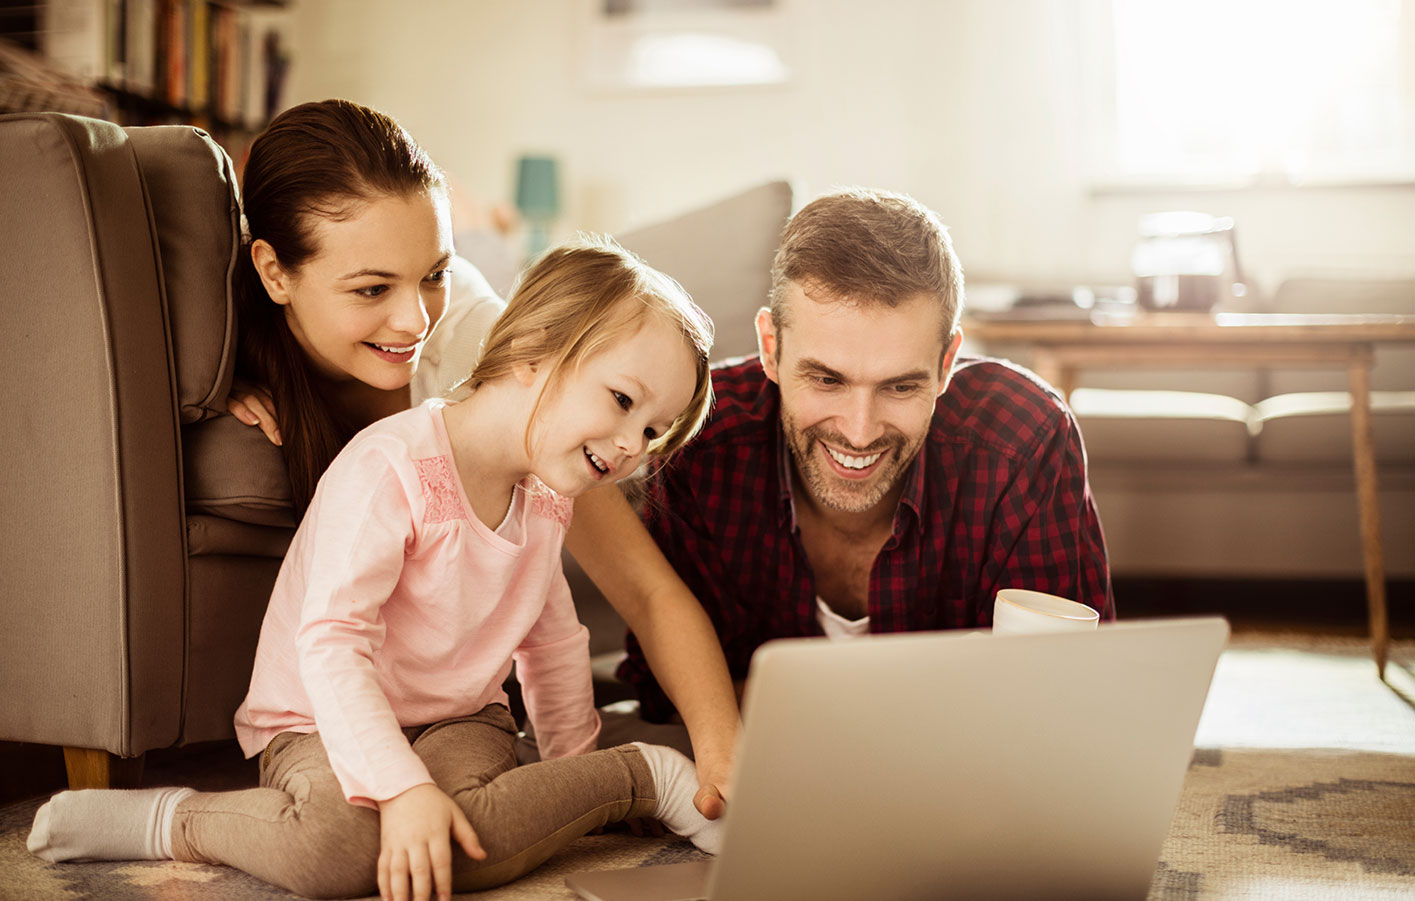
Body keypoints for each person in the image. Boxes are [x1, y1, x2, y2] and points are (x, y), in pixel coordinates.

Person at [29, 237, 727, 900]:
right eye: (623, 401)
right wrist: (400, 788)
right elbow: (331, 641)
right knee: (338, 849)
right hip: (317, 717)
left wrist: (574, 781)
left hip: (460, 718)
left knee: (454, 845)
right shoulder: (390, 464)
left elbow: (550, 644)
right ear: (535, 351)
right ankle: (171, 820)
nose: (632, 445)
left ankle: (634, 777)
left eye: (652, 431)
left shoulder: (546, 502)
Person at [219, 100, 738, 791]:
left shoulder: (488, 351)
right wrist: (223, 384)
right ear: (274, 273)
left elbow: (643, 589)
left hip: (454, 703)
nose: (413, 321)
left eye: (435, 272)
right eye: (373, 288)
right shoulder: (230, 340)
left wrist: (723, 755)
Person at [618, 187, 1116, 721]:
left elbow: (1071, 693)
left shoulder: (1022, 439)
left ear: (947, 362)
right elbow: (661, 689)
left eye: (900, 387)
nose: (859, 432)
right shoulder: (702, 437)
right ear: (771, 347)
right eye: (826, 380)